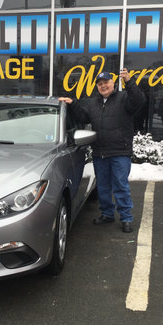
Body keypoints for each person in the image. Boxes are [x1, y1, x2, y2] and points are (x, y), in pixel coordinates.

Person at [59, 69, 145, 233]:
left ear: (113, 83)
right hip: (100, 153)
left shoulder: (124, 98)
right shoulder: (93, 104)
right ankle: (107, 214)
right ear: (97, 87)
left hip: (120, 152)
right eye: (100, 84)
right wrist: (73, 103)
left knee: (120, 186)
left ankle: (126, 218)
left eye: (106, 82)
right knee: (103, 187)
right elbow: (84, 118)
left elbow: (138, 100)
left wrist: (130, 82)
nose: (103, 86)